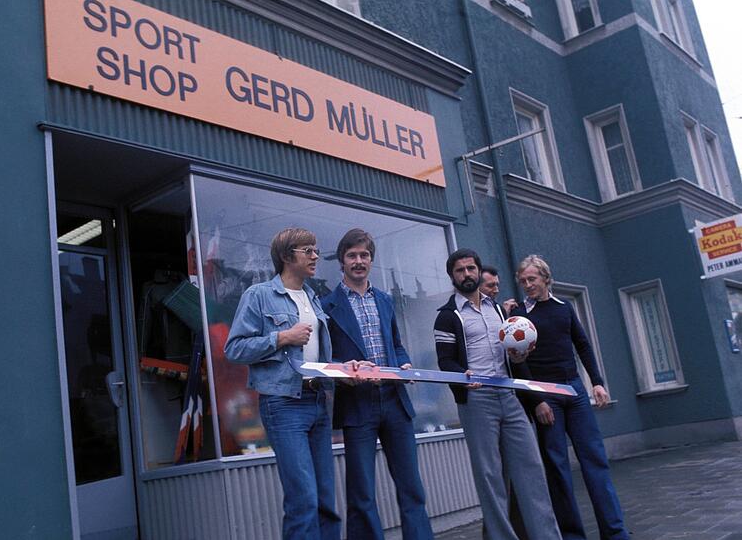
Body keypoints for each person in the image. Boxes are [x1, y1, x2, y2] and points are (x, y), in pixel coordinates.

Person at [434, 248, 561, 540]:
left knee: (532, 472)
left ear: (479, 272)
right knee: (491, 479)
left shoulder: (499, 310)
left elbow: (513, 357)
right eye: (460, 270)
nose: (466, 274)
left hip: (510, 396)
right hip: (477, 402)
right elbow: (446, 362)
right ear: (452, 276)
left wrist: (518, 360)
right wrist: (461, 377)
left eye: (470, 269)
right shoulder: (447, 317)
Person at [224, 228, 340, 540]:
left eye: (315, 250)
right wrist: (281, 337)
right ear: (288, 256)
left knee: (326, 499)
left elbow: (321, 353)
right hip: (284, 404)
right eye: (308, 251)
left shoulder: (313, 296)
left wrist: (346, 371)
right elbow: (233, 349)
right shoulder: (259, 295)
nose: (315, 256)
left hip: (318, 400)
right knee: (303, 499)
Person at [321, 229, 433, 540]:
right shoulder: (326, 306)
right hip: (357, 404)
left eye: (364, 255)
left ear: (371, 260)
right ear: (342, 262)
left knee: (412, 488)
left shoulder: (384, 299)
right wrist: (344, 371)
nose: (359, 261)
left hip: (395, 401)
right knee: (362, 493)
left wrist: (404, 362)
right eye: (352, 255)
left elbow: (396, 344)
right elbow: (324, 357)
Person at [511, 254, 629, 540]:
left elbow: (583, 345)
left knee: (595, 461)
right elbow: (518, 362)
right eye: (523, 281)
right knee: (558, 468)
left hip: (574, 391)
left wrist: (597, 383)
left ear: (546, 279)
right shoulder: (518, 316)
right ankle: (572, 535)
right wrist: (536, 400)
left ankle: (615, 532)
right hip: (545, 396)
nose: (527, 285)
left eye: (532, 279)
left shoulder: (564, 309)